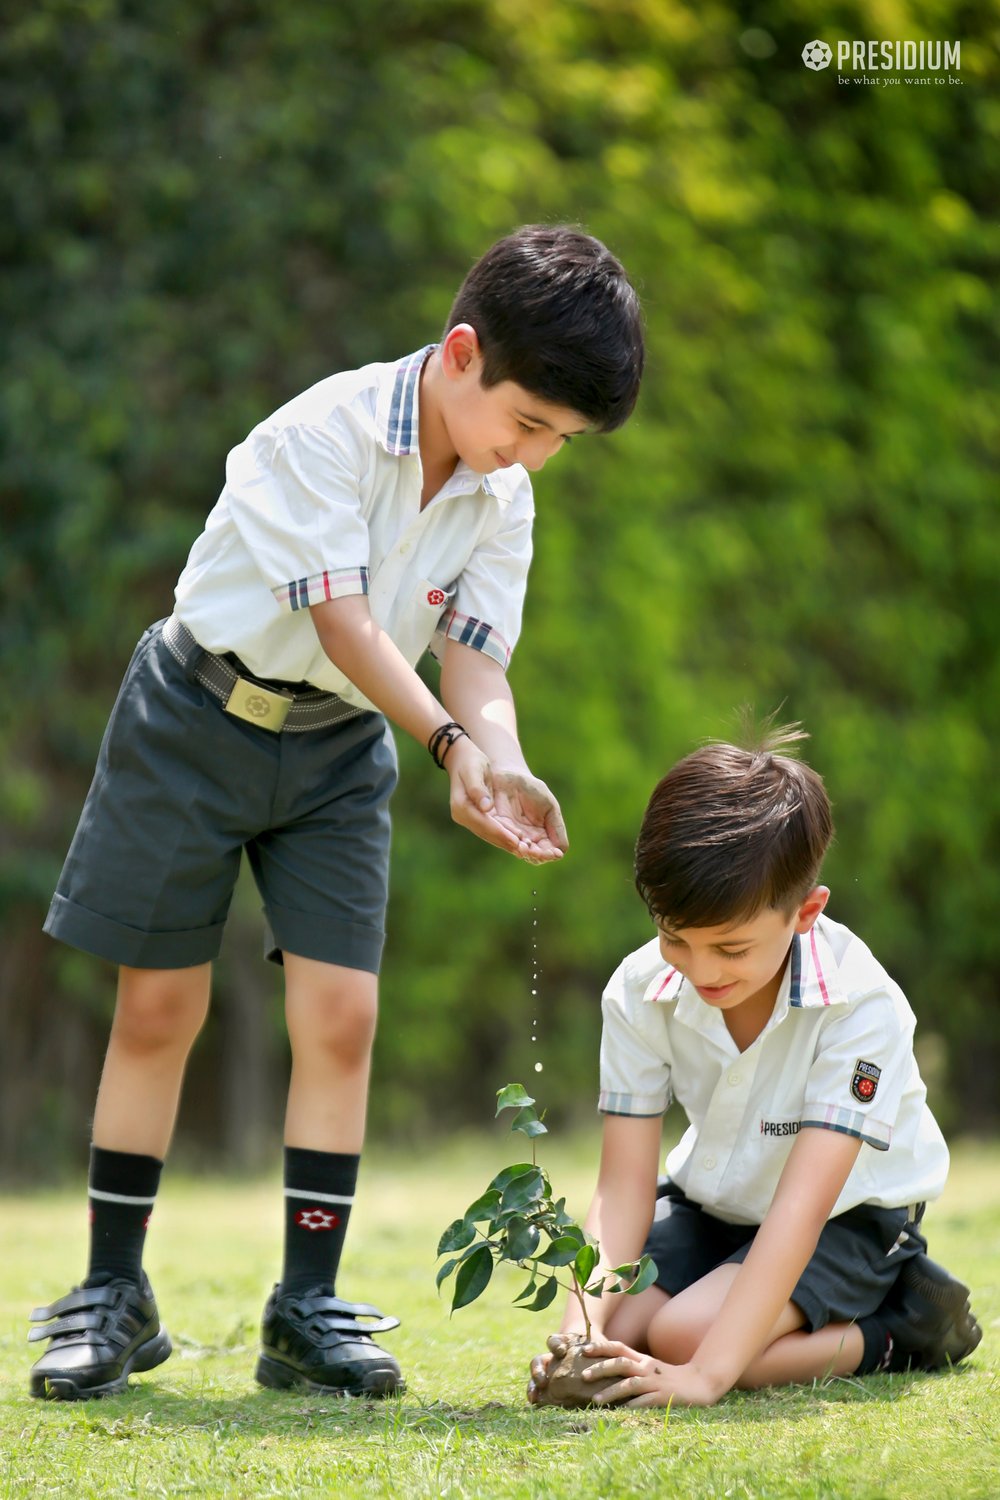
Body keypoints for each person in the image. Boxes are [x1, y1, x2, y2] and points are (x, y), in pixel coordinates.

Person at [28, 224, 645, 1401]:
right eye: (528, 425)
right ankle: (113, 1292)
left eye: (560, 443)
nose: (533, 460)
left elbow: (475, 660)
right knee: (158, 1007)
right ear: (461, 354)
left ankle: (304, 1310)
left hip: (337, 751)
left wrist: (498, 760)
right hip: (191, 717)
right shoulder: (322, 435)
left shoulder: (500, 492)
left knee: (344, 1017)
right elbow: (345, 625)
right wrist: (450, 747)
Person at [528, 725, 982, 1408]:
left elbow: (802, 1209)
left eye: (732, 949)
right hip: (716, 1205)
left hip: (847, 1219)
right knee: (620, 1328)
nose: (701, 970)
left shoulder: (860, 1007)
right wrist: (577, 1337)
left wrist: (705, 1377)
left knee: (682, 1338)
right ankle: (688, 1327)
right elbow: (622, 1187)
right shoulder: (637, 987)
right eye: (675, 937)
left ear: (806, 912)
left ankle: (905, 1327)